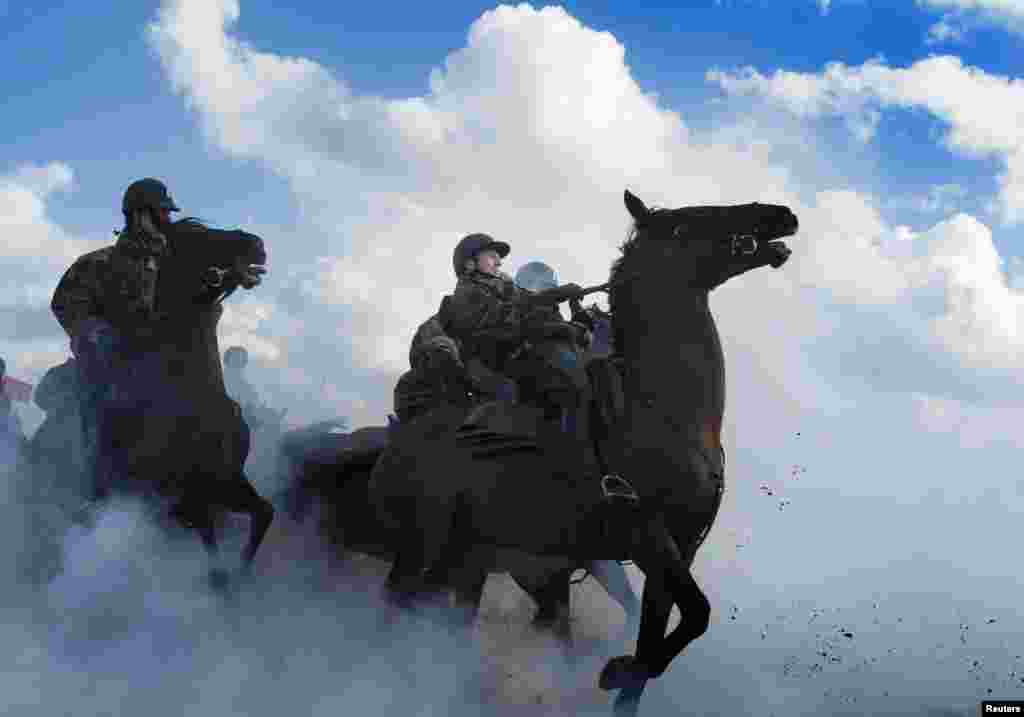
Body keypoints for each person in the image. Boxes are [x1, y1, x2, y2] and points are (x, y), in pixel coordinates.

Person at [51, 178, 264, 498]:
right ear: (141, 216)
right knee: (104, 415)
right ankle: (98, 499)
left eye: (168, 213)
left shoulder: (178, 260)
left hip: (173, 363)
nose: (168, 219)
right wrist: (95, 331)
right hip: (118, 366)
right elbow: (65, 304)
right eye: (163, 213)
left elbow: (197, 296)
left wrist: (231, 276)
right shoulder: (98, 264)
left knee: (226, 416)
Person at [439, 233, 600, 481]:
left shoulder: (501, 286)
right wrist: (557, 313)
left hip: (517, 356)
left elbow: (529, 302)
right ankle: (580, 464)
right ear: (469, 263)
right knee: (572, 386)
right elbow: (513, 318)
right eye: (492, 256)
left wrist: (563, 296)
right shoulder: (467, 293)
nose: (499, 263)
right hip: (496, 365)